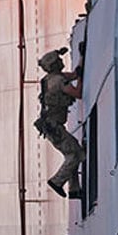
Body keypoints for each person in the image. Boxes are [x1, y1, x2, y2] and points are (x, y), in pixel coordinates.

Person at [34, 48, 84, 199]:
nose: (61, 61)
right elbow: (78, 93)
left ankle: (74, 189)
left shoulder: (50, 78)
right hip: (53, 126)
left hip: (51, 126)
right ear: (54, 64)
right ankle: (57, 181)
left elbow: (74, 74)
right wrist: (80, 77)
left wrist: (81, 56)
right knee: (76, 154)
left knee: (73, 149)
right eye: (58, 60)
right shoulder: (58, 81)